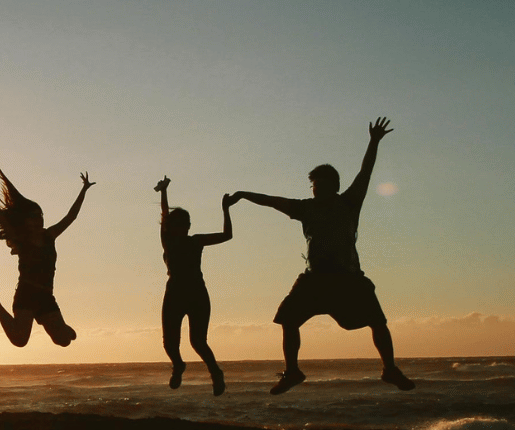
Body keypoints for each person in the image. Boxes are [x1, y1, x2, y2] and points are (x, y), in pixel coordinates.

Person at [231, 117, 415, 395]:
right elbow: (271, 200)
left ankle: (390, 369)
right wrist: (244, 194)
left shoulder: (349, 202)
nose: (315, 189)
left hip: (347, 278)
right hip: (314, 279)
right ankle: (293, 372)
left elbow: (366, 171)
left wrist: (373, 141)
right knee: (288, 320)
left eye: (319, 184)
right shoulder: (304, 208)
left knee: (378, 321)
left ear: (333, 186)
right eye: (313, 185)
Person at [0, 168, 94, 348]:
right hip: (26, 294)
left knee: (64, 341)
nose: (38, 220)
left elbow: (71, 216)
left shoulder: (50, 236)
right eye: (33, 217)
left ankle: (56, 325)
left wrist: (84, 190)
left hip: (46, 296)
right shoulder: (21, 240)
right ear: (25, 221)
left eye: (40, 216)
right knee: (20, 341)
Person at [153, 176, 233, 395]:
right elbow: (164, 215)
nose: (185, 228)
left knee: (197, 341)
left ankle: (216, 373)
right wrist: (163, 192)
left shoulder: (196, 241)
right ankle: (178, 365)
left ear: (189, 227)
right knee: (169, 343)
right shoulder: (167, 240)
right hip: (175, 294)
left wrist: (225, 210)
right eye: (180, 224)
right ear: (173, 227)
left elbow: (227, 235)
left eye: (187, 224)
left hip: (197, 293)